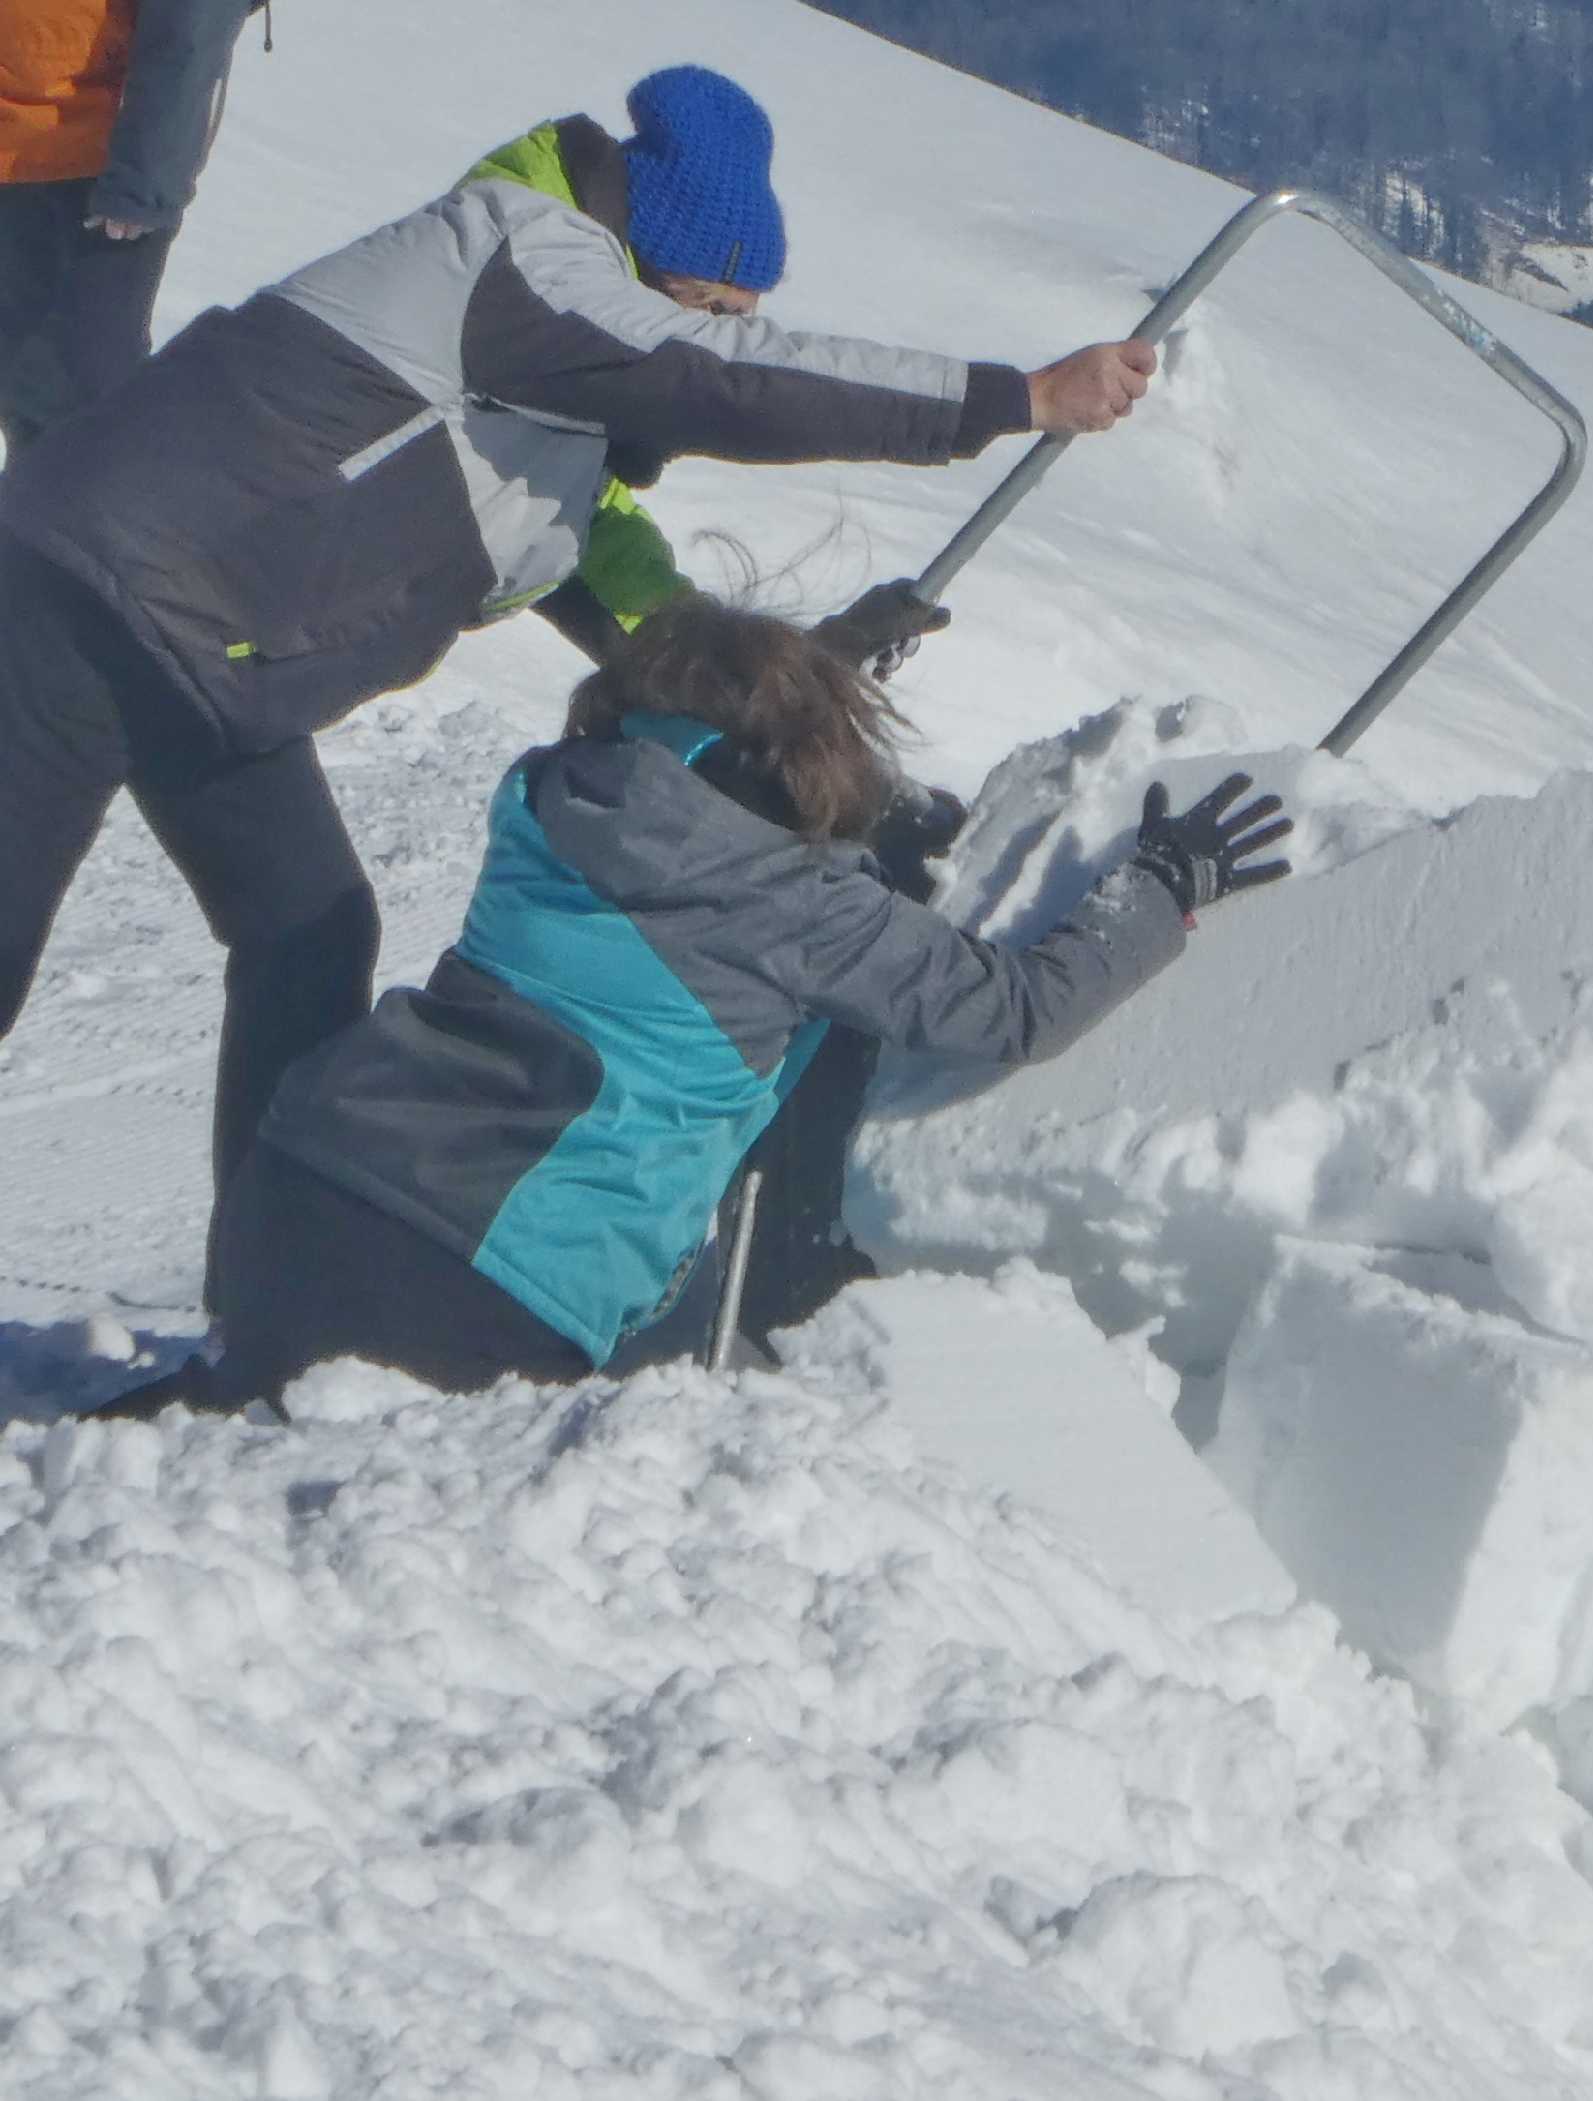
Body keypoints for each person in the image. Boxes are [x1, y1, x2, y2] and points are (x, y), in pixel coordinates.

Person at [0, 62, 1161, 1285]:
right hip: (82, 595)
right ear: (648, 256)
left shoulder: (544, 418)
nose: (717, 331)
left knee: (309, 929)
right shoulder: (511, 254)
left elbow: (633, 604)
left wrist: (799, 675)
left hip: (202, 663)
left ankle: (266, 1284)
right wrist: (1017, 398)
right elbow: (725, 384)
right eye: (710, 304)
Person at [128, 597, 1288, 1414]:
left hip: (287, 1205)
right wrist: (1161, 884)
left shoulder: (551, 798)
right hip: (476, 1286)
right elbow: (1018, 1007)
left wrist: (797, 683)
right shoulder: (804, 905)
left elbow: (686, 774)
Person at [0, 0, 256, 449]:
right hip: (33, 138)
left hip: (80, 160)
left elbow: (190, 33)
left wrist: (145, 178)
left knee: (77, 396)